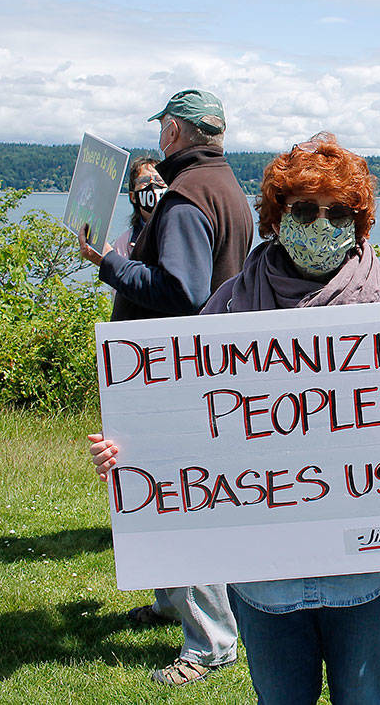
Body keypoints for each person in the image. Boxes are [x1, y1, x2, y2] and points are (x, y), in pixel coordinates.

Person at [91, 133, 380, 705]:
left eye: (338, 212)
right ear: (275, 218)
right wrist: (133, 456)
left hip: (370, 572)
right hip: (262, 575)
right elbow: (186, 429)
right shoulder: (226, 310)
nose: (321, 224)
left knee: (364, 697)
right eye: (304, 210)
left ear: (359, 222)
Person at [80, 88, 254, 686]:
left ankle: (211, 643)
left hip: (175, 373)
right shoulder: (227, 188)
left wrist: (110, 262)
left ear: (175, 133)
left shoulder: (184, 199)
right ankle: (170, 603)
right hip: (208, 367)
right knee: (167, 490)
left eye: (163, 129)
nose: (159, 138)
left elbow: (182, 292)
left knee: (184, 502)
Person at [110, 155, 164, 258]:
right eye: (144, 180)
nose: (152, 184)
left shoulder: (182, 229)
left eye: (159, 180)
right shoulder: (125, 243)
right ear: (133, 196)